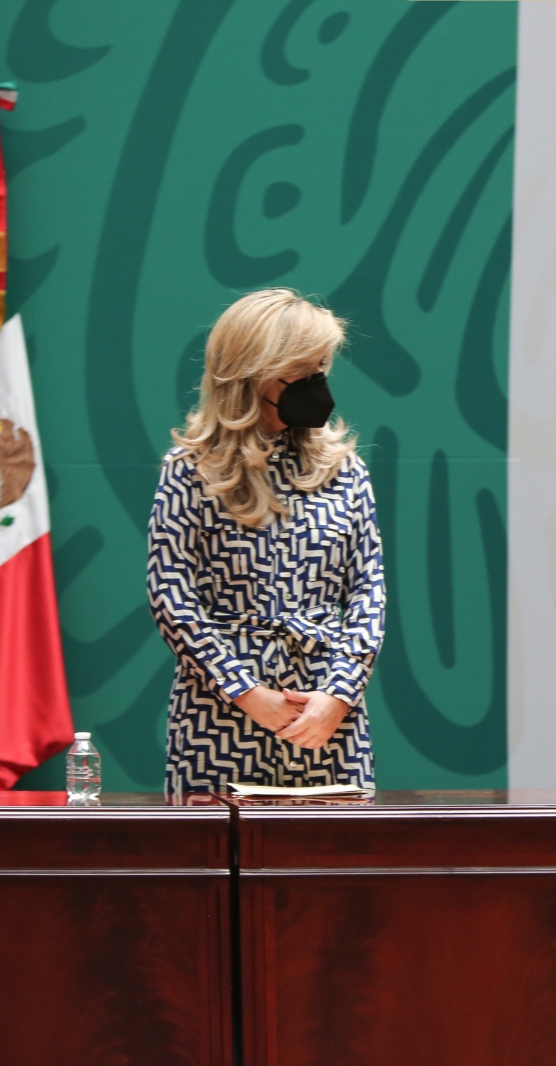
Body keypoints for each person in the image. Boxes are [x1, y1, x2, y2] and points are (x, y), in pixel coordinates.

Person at [148, 289, 385, 794]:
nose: (318, 384)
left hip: (325, 714)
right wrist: (245, 691)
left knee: (335, 846)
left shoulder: (346, 471)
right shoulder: (188, 470)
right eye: (301, 371)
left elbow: (369, 592)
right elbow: (170, 595)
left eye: (321, 368)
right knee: (213, 845)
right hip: (217, 713)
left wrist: (338, 695)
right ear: (251, 374)